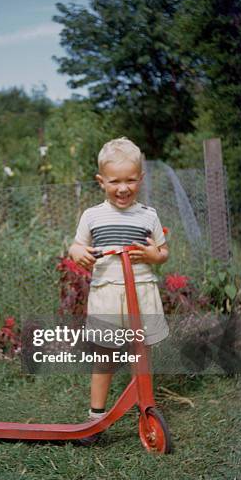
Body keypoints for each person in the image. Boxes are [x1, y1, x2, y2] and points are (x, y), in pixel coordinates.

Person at [68, 137, 169, 443]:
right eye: (114, 181)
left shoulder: (147, 215)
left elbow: (162, 252)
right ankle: (96, 417)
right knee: (105, 355)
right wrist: (77, 253)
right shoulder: (92, 215)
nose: (123, 188)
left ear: (141, 178)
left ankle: (145, 407)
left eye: (130, 180)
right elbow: (77, 244)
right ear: (101, 181)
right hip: (108, 293)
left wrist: (154, 256)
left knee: (142, 354)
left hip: (142, 291)